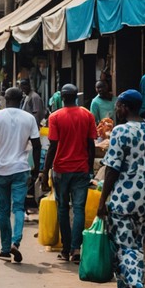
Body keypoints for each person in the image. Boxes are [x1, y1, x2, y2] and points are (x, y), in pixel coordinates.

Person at [97, 89, 145, 288]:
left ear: (125, 107)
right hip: (144, 199)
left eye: (118, 105)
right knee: (134, 246)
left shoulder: (120, 132)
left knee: (125, 248)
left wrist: (102, 201)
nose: (116, 109)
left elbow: (112, 170)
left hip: (122, 200)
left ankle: (136, 285)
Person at [41, 84, 97, 262]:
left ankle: (66, 249)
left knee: (63, 208)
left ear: (62, 98)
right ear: (76, 97)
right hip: (81, 169)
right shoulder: (87, 115)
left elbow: (53, 146)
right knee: (79, 209)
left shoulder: (55, 116)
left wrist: (45, 171)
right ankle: (76, 248)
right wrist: (89, 168)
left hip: (61, 170)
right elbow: (91, 144)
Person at [0, 87, 41, 263]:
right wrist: (36, 168)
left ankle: (5, 248)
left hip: (1, 169)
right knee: (18, 207)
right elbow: (37, 145)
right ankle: (16, 241)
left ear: (4, 98)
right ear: (21, 99)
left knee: (3, 209)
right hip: (21, 168)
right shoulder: (29, 118)